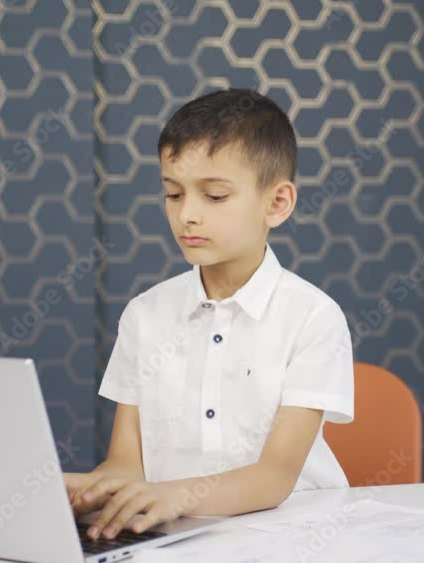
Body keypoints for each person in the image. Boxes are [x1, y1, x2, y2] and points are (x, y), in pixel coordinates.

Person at [63, 89, 355, 541]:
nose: (187, 215)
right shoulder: (144, 315)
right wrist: (93, 490)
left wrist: (176, 496)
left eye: (214, 196)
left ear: (277, 203)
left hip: (295, 539)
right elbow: (126, 463)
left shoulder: (313, 317)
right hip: (177, 538)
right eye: (173, 193)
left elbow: (275, 476)